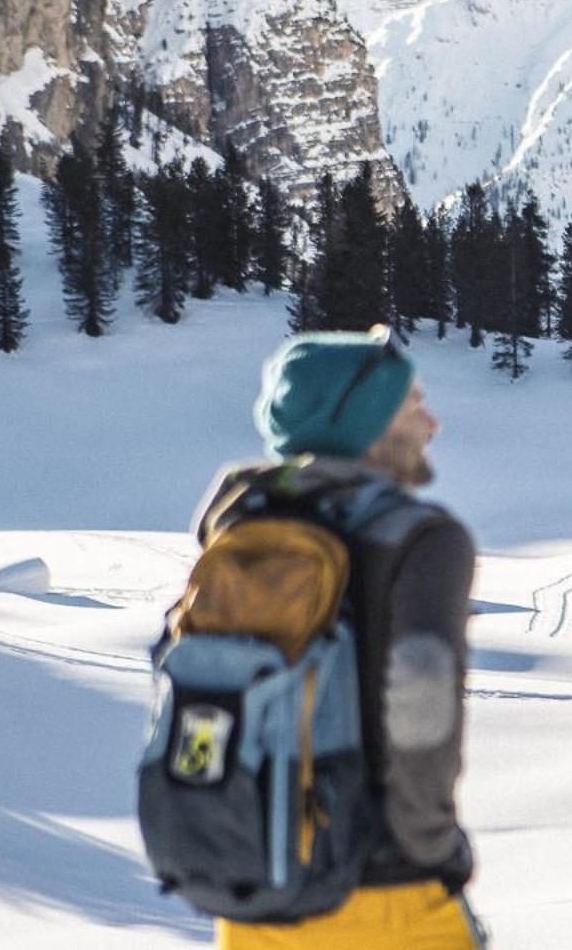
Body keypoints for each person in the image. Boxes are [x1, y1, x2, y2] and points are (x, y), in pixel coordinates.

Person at [200, 327, 483, 949]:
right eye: (413, 404)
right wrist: (432, 847)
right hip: (385, 894)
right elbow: (423, 699)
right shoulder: (422, 538)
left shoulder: (239, 523)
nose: (431, 423)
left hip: (255, 890)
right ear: (368, 423)